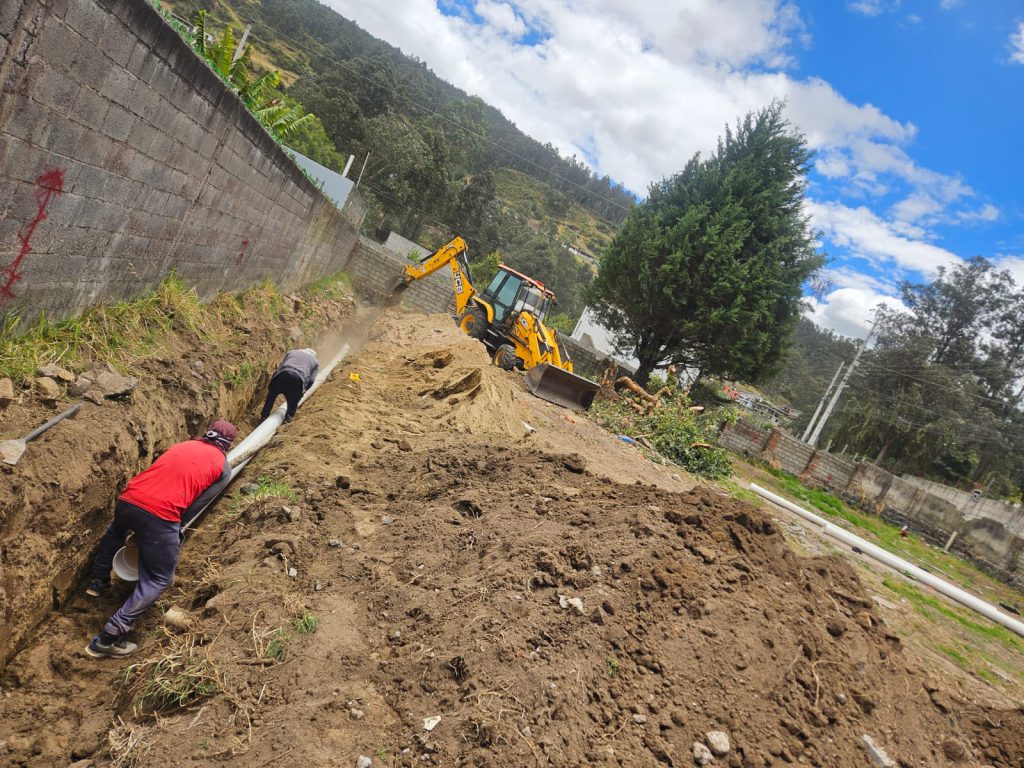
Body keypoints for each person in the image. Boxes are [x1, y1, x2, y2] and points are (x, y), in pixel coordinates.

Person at [84, 419, 238, 658]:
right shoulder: (223, 468)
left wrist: (143, 530)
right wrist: (170, 531)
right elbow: (196, 505)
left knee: (116, 533)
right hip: (161, 514)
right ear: (228, 444)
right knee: (158, 578)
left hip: (129, 499)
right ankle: (109, 638)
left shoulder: (183, 445)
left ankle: (97, 581)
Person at [260, 348, 319, 423]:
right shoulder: (315, 362)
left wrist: (272, 383)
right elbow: (311, 380)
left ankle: (264, 416)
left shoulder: (292, 352)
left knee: (271, 396)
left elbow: (280, 366)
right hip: (298, 379)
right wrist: (303, 391)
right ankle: (287, 420)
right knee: (293, 404)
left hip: (283, 374)